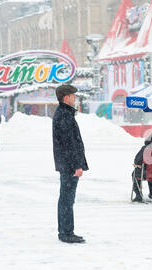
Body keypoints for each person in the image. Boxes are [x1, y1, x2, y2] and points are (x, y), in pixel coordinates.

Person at [52, 84, 88, 244]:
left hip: (66, 163)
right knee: (67, 199)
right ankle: (66, 232)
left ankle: (65, 231)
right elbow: (70, 144)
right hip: (69, 164)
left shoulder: (64, 114)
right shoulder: (64, 115)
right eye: (73, 95)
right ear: (66, 98)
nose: (75, 98)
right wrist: (77, 165)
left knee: (66, 198)